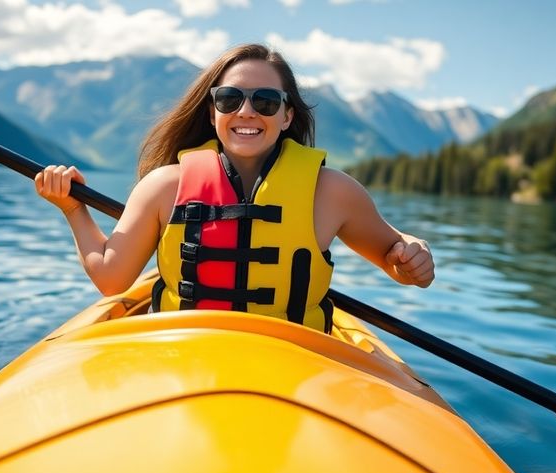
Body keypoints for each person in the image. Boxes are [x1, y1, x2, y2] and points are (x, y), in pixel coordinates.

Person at [36, 43, 433, 333]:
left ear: (286, 115)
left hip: (296, 361)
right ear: (212, 114)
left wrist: (413, 256)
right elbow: (111, 278)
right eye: (229, 99)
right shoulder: (163, 187)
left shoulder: (333, 192)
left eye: (265, 101)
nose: (245, 111)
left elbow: (394, 255)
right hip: (186, 352)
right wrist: (73, 209)